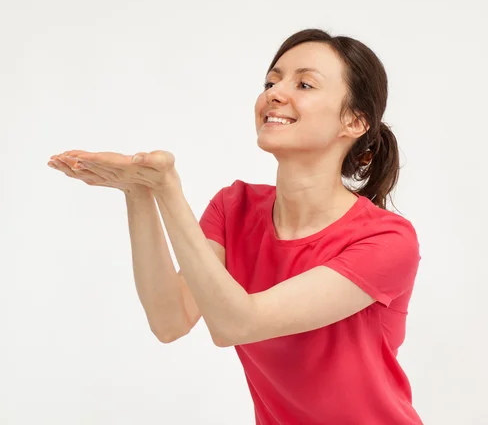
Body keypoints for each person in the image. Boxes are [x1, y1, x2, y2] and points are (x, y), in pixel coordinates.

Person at [47, 28, 423, 424]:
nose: (275, 93)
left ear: (354, 120)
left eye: (305, 83)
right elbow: (169, 319)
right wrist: (139, 193)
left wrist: (167, 189)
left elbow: (238, 323)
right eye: (271, 81)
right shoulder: (234, 208)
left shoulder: (387, 240)